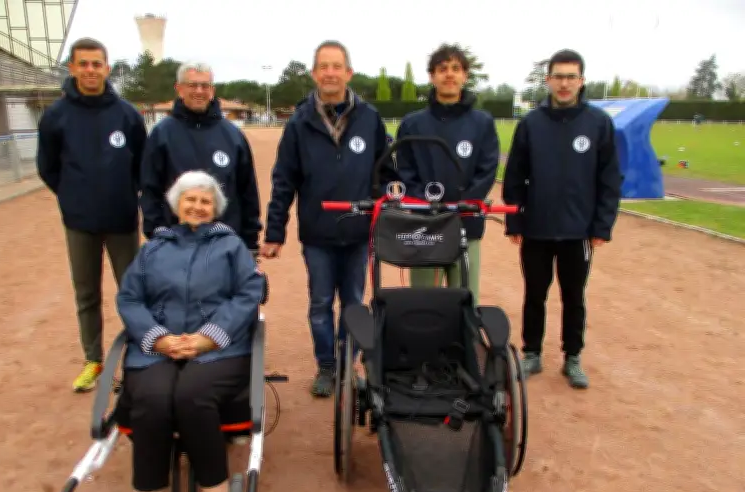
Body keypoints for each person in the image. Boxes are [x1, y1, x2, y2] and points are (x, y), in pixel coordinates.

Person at [112, 170, 264, 492]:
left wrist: (207, 337)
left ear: (216, 209)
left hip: (218, 349)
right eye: (190, 199)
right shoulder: (153, 249)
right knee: (151, 398)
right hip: (158, 349)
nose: (198, 206)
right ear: (177, 204)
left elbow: (249, 295)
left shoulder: (231, 246)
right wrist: (159, 338)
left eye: (206, 201)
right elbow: (129, 298)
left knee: (193, 395)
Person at [261, 40, 396, 398]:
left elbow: (386, 173)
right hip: (318, 234)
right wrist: (275, 231)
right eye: (324, 66)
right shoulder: (299, 123)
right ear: (314, 73)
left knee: (353, 302)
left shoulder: (370, 119)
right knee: (320, 303)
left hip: (357, 232)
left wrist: (388, 211)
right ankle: (326, 365)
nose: (331, 73)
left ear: (348, 73)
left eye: (337, 66)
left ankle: (347, 358)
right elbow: (283, 179)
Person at [501, 49, 621, 389]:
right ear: (548, 80)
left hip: (578, 231)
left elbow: (609, 179)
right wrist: (514, 220)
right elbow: (515, 176)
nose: (565, 83)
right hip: (537, 228)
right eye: (559, 76)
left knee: (574, 296)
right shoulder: (531, 123)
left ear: (581, 81)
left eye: (571, 76)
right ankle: (532, 353)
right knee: (534, 293)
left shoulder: (598, 124)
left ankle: (572, 357)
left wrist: (601, 226)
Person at [36, 37, 147, 392]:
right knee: (86, 294)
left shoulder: (127, 115)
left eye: (96, 64)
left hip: (121, 221)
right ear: (71, 68)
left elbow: (142, 165)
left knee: (132, 291)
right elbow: (48, 167)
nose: (89, 70)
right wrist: (72, 197)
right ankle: (93, 360)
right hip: (79, 223)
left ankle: (139, 360)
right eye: (83, 64)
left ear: (107, 68)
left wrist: (126, 196)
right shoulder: (56, 116)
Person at [395, 44, 499, 302]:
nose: (449, 75)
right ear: (432, 76)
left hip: (466, 224)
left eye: (455, 69)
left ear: (465, 75)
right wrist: (427, 203)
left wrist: (463, 204)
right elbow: (405, 171)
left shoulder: (482, 123)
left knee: (464, 301)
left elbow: (487, 170)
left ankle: (463, 343)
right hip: (424, 225)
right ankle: (422, 344)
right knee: (422, 301)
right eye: (442, 69)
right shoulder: (412, 124)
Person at [139, 61, 262, 251]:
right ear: (179, 89)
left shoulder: (233, 136)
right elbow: (150, 189)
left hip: (225, 242)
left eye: (204, 85)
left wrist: (250, 240)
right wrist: (157, 233)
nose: (199, 91)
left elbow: (247, 192)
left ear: (212, 90)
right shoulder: (162, 134)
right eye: (192, 85)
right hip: (176, 243)